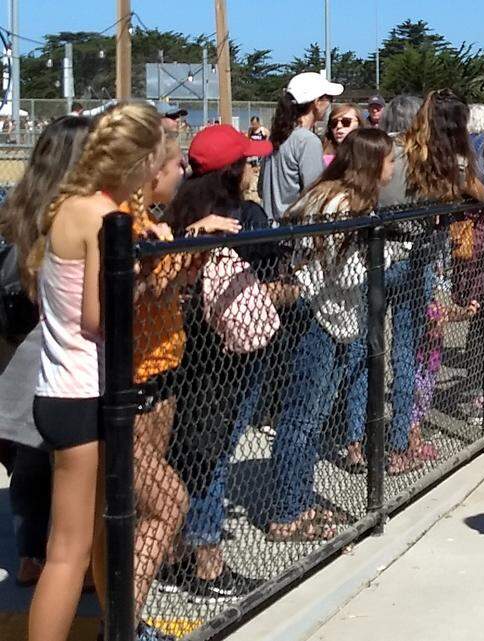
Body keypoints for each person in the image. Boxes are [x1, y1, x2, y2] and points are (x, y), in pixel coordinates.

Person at [25, 102, 163, 641]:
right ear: (136, 159)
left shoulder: (70, 207)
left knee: (102, 539)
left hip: (63, 389)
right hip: (81, 394)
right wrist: (145, 282)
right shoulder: (103, 215)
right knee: (69, 551)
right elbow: (97, 316)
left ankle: (118, 630)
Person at [153, 124, 276, 602]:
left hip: (188, 347)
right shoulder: (241, 215)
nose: (254, 168)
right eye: (248, 162)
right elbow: (271, 266)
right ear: (231, 172)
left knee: (187, 452)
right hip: (227, 351)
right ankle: (207, 562)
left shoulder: (180, 209)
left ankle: (178, 550)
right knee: (214, 452)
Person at [267, 128, 394, 536]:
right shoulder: (340, 203)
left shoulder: (346, 198)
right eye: (389, 160)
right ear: (372, 163)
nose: (394, 167)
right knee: (302, 419)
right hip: (317, 316)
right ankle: (286, 512)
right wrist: (389, 252)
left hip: (335, 316)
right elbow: (347, 274)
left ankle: (300, 502)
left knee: (315, 417)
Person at [0, 115, 91, 590]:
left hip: (18, 347)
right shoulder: (65, 213)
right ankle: (53, 555)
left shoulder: (20, 205)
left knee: (27, 461)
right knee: (51, 459)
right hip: (46, 349)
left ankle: (32, 553)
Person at [377, 89, 484, 470]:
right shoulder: (446, 161)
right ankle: (403, 440)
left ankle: (366, 438)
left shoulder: (396, 150)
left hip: (380, 254)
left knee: (374, 352)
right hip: (418, 257)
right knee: (410, 350)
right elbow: (479, 193)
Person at [259, 71, 344, 221]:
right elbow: (315, 193)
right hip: (293, 231)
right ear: (317, 102)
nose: (330, 103)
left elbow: (261, 189)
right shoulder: (307, 140)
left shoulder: (276, 136)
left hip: (269, 229)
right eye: (329, 98)